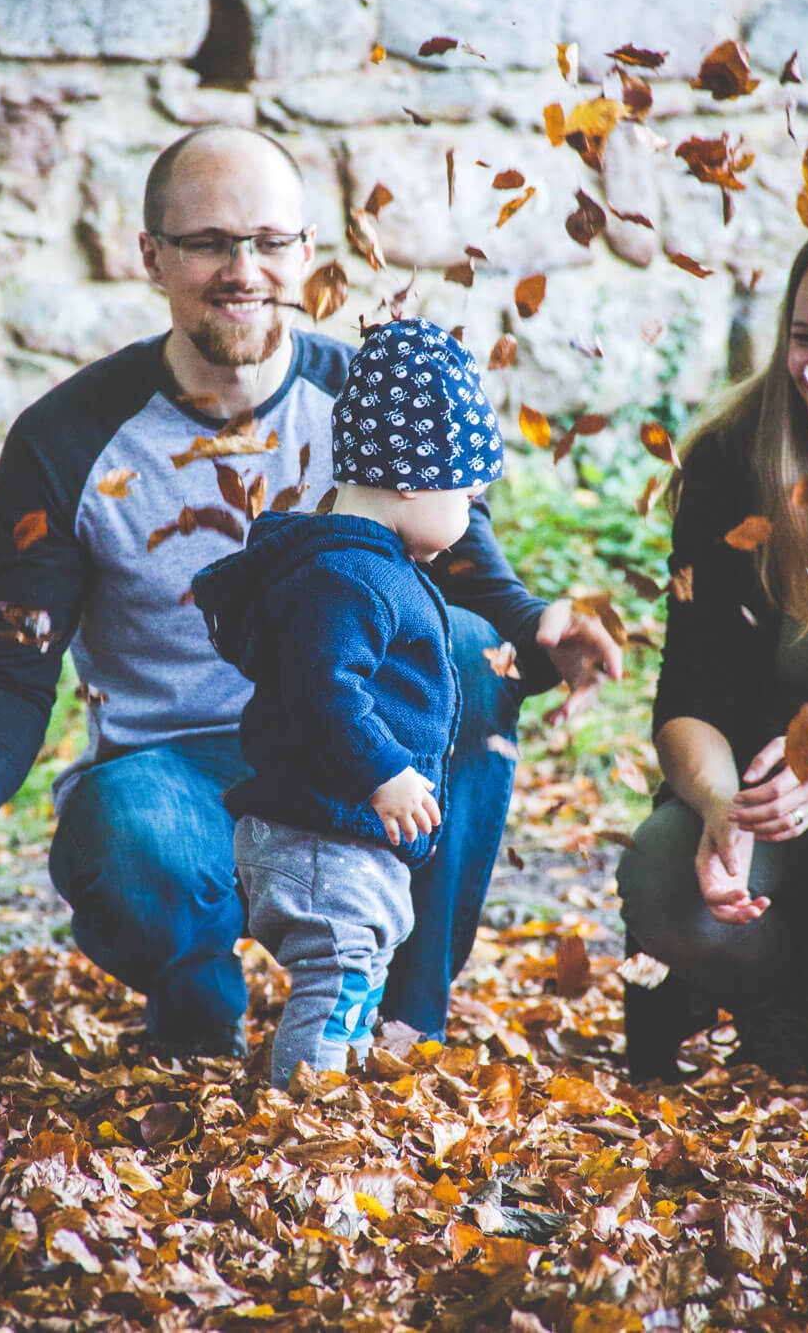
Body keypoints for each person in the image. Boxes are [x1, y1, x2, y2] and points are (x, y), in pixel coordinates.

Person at [0, 124, 621, 1060]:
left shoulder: (368, 390)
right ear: (151, 256)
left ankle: (402, 1014)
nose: (243, 268)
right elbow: (15, 653)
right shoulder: (65, 437)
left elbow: (460, 556)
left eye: (270, 242)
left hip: (354, 747)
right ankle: (199, 1005)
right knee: (121, 834)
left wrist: (537, 628)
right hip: (170, 773)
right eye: (207, 242)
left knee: (471, 656)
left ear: (307, 253)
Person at [193, 317, 504, 1087]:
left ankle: (344, 1072)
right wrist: (385, 772)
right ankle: (307, 1106)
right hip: (317, 838)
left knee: (360, 964)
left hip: (341, 837)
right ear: (409, 478)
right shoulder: (343, 579)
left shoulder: (370, 566)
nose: (470, 515)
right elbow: (324, 691)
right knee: (336, 974)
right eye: (465, 492)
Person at [618, 209, 808, 1082]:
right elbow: (687, 691)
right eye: (806, 338)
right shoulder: (733, 461)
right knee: (664, 877)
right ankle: (774, 1008)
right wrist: (722, 808)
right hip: (770, 799)